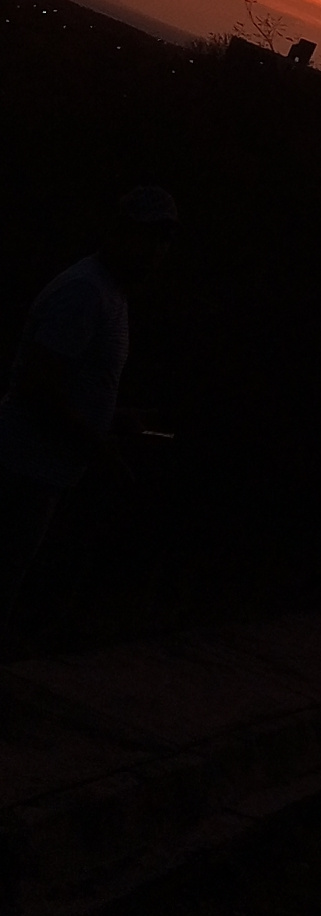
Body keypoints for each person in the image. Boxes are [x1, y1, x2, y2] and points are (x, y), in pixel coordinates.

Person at [0, 186, 178, 624]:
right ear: (119, 232)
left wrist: (114, 418)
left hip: (39, 475)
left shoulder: (110, 295)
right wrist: (98, 448)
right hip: (19, 473)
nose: (156, 250)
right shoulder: (85, 292)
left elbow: (65, 383)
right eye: (148, 236)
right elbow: (37, 385)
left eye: (164, 239)